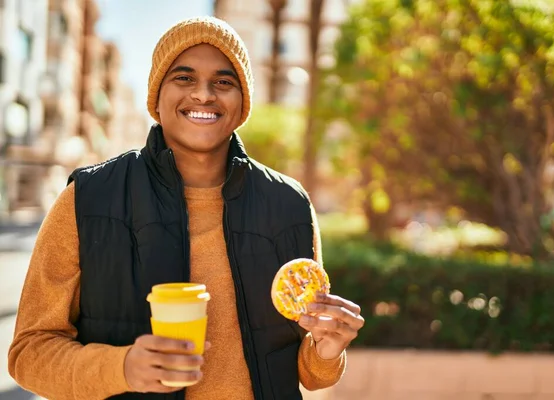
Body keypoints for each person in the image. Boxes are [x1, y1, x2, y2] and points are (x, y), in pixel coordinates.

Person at [8, 16, 364, 400]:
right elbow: (29, 353)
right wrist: (122, 368)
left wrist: (326, 350)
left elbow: (310, 375)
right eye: (184, 78)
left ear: (242, 102)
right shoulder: (87, 198)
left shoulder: (289, 204)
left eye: (224, 82)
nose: (204, 95)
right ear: (156, 98)